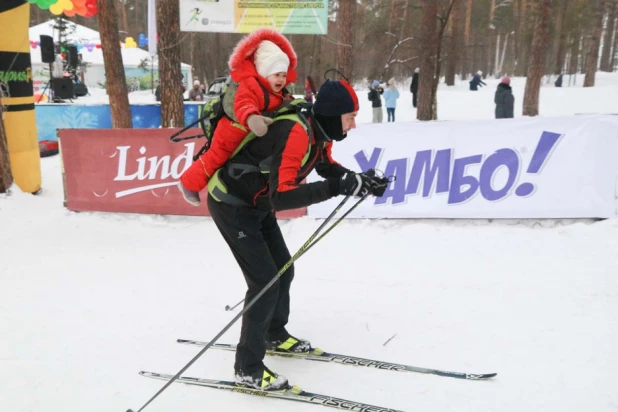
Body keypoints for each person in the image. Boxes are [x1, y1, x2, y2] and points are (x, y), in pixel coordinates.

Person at [205, 78, 389, 391]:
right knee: (264, 282)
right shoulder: (296, 132)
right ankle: (247, 368)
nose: (353, 125)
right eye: (350, 118)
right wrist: (339, 187)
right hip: (232, 204)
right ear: (333, 116)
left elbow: (327, 168)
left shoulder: (319, 131)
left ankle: (274, 334)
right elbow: (283, 196)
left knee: (283, 271)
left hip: (255, 204)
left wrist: (358, 180)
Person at [178, 29, 296, 205]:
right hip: (232, 130)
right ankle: (188, 184)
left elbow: (280, 104)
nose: (281, 79)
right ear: (264, 73)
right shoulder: (250, 84)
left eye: (283, 75)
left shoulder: (276, 91)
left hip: (249, 136)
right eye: (276, 75)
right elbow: (243, 103)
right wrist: (252, 117)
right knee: (216, 156)